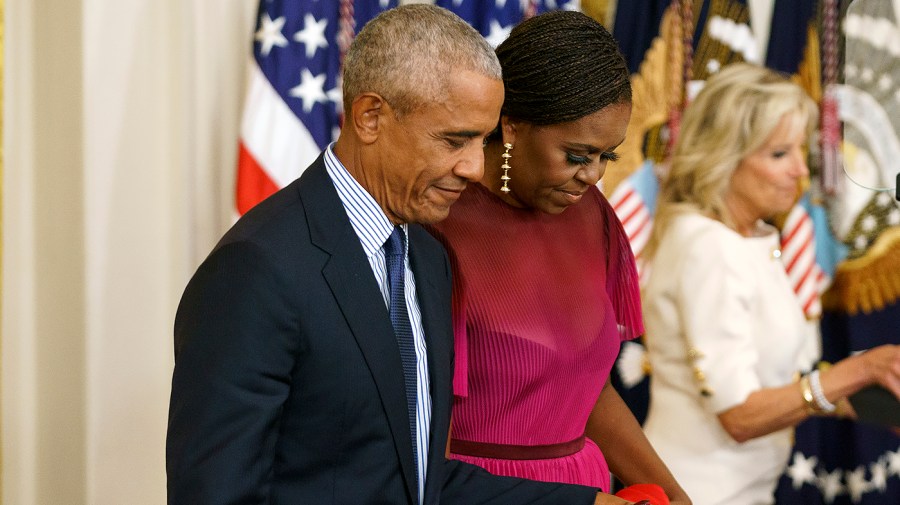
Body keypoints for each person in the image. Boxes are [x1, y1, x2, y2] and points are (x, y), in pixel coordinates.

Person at [166, 4, 638, 505]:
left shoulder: (425, 258)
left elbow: (419, 480)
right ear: (371, 117)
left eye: (482, 140)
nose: (475, 166)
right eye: (454, 140)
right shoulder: (256, 270)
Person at [424, 11, 690, 505]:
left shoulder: (594, 218)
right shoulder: (435, 227)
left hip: (590, 487)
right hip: (478, 493)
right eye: (576, 155)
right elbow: (413, 434)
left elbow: (584, 391)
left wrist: (675, 496)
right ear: (512, 126)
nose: (593, 176)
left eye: (606, 157)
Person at [640, 62, 900, 505]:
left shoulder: (751, 236)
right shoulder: (710, 248)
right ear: (723, 157)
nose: (801, 170)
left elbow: (774, 382)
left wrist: (877, 400)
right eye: (780, 154)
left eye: (801, 150)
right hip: (696, 493)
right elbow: (740, 415)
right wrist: (862, 368)